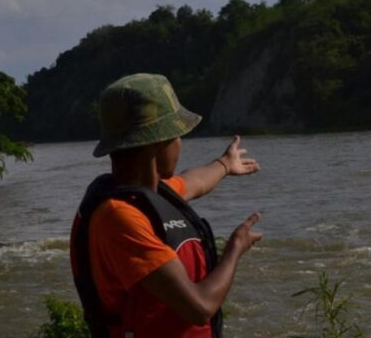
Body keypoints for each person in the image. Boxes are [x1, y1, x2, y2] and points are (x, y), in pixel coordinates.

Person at [70, 73, 262, 338]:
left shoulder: (148, 195)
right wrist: (235, 248)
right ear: (158, 143)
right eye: (177, 135)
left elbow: (193, 181)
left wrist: (225, 165)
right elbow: (200, 307)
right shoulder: (119, 218)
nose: (180, 144)